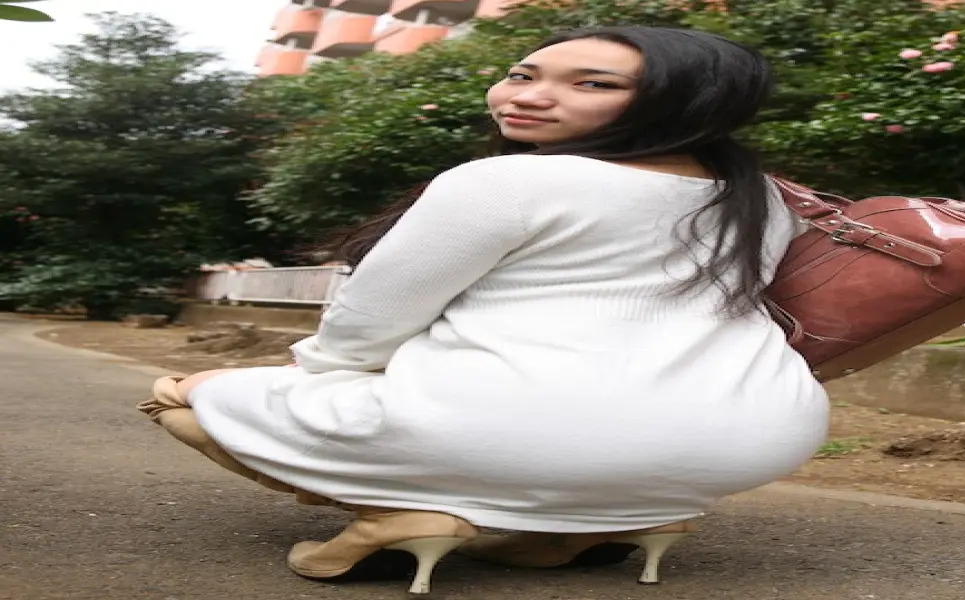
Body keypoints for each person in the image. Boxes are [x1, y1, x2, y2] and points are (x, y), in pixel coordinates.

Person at [136, 25, 830, 595]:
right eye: (522, 74)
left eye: (593, 84)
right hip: (755, 435)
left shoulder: (507, 181)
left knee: (183, 396)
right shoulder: (763, 199)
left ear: (684, 102)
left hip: (509, 424)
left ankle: (396, 512)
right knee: (561, 432)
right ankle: (591, 524)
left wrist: (305, 373)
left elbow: (370, 321)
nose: (528, 96)